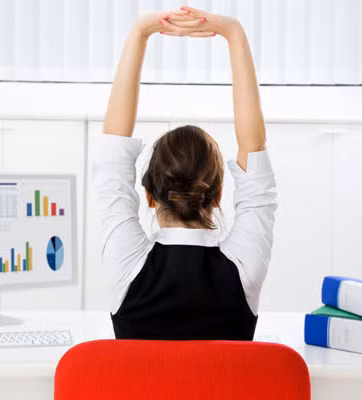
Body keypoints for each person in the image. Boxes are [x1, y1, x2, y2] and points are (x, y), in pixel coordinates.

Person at [92, 5, 278, 340]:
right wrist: (234, 34)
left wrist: (139, 33)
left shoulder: (125, 265)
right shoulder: (244, 267)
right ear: (217, 194)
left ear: (149, 196)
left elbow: (112, 161)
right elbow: (254, 147)